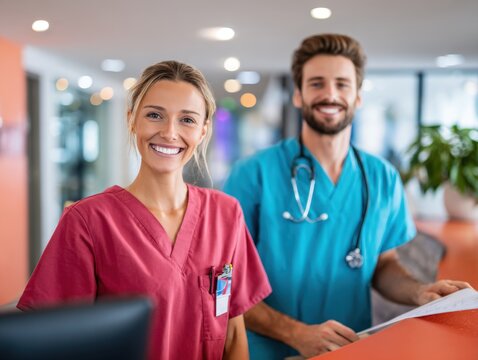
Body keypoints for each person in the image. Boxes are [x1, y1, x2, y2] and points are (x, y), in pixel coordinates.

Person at [223, 34, 471, 359]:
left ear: (357, 97)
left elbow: (384, 264)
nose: (330, 94)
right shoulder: (254, 174)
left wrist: (419, 292)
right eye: (316, 83)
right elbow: (225, 281)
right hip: (269, 351)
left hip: (349, 346)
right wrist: (296, 334)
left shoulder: (382, 178)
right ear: (298, 95)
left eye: (342, 84)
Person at [18, 60, 272, 360]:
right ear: (132, 120)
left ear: (203, 131)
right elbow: (56, 340)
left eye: (187, 120)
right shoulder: (88, 222)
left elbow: (232, 332)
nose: (169, 132)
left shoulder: (226, 214)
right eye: (154, 115)